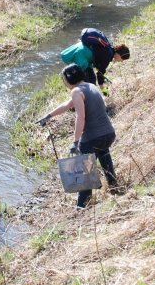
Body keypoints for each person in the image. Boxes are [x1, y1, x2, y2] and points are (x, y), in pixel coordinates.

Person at [38, 64, 119, 208]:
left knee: (84, 174)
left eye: (64, 79)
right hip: (108, 134)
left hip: (92, 137)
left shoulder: (76, 91)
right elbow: (67, 104)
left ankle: (82, 207)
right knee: (104, 157)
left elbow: (81, 117)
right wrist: (48, 116)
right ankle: (115, 188)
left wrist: (75, 142)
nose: (64, 82)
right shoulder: (89, 86)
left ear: (69, 79)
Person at [60, 28, 130, 87]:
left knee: (92, 80)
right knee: (85, 84)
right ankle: (84, 100)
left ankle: (88, 98)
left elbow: (99, 71)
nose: (121, 61)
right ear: (119, 55)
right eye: (122, 59)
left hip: (82, 52)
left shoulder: (109, 48)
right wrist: (102, 88)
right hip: (81, 56)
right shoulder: (108, 55)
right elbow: (100, 73)